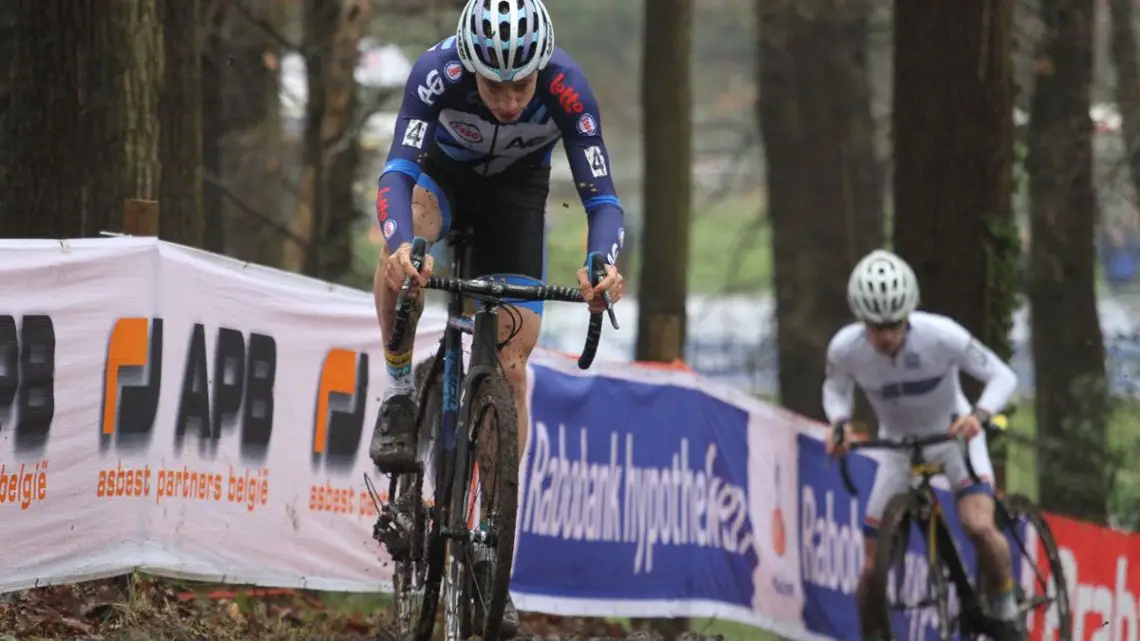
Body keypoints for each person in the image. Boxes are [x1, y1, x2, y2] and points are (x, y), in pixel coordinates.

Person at [368, 0, 626, 634]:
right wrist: (401, 242)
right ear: (469, 67)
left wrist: (602, 265)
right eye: (494, 86)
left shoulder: (568, 86)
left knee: (512, 367)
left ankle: (492, 543)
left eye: (521, 85)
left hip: (516, 199)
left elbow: (603, 199)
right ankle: (401, 390)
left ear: (542, 67)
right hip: (441, 183)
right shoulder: (437, 72)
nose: (509, 101)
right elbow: (397, 170)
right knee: (404, 250)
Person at [823, 249, 1021, 640]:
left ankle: (1005, 607)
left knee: (978, 526)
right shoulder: (845, 348)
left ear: (908, 313)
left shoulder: (941, 335)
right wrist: (839, 424)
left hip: (952, 436)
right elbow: (835, 391)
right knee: (869, 568)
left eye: (894, 324)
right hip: (898, 448)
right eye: (874, 326)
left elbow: (1003, 376)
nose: (885, 336)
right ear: (861, 320)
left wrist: (978, 416)